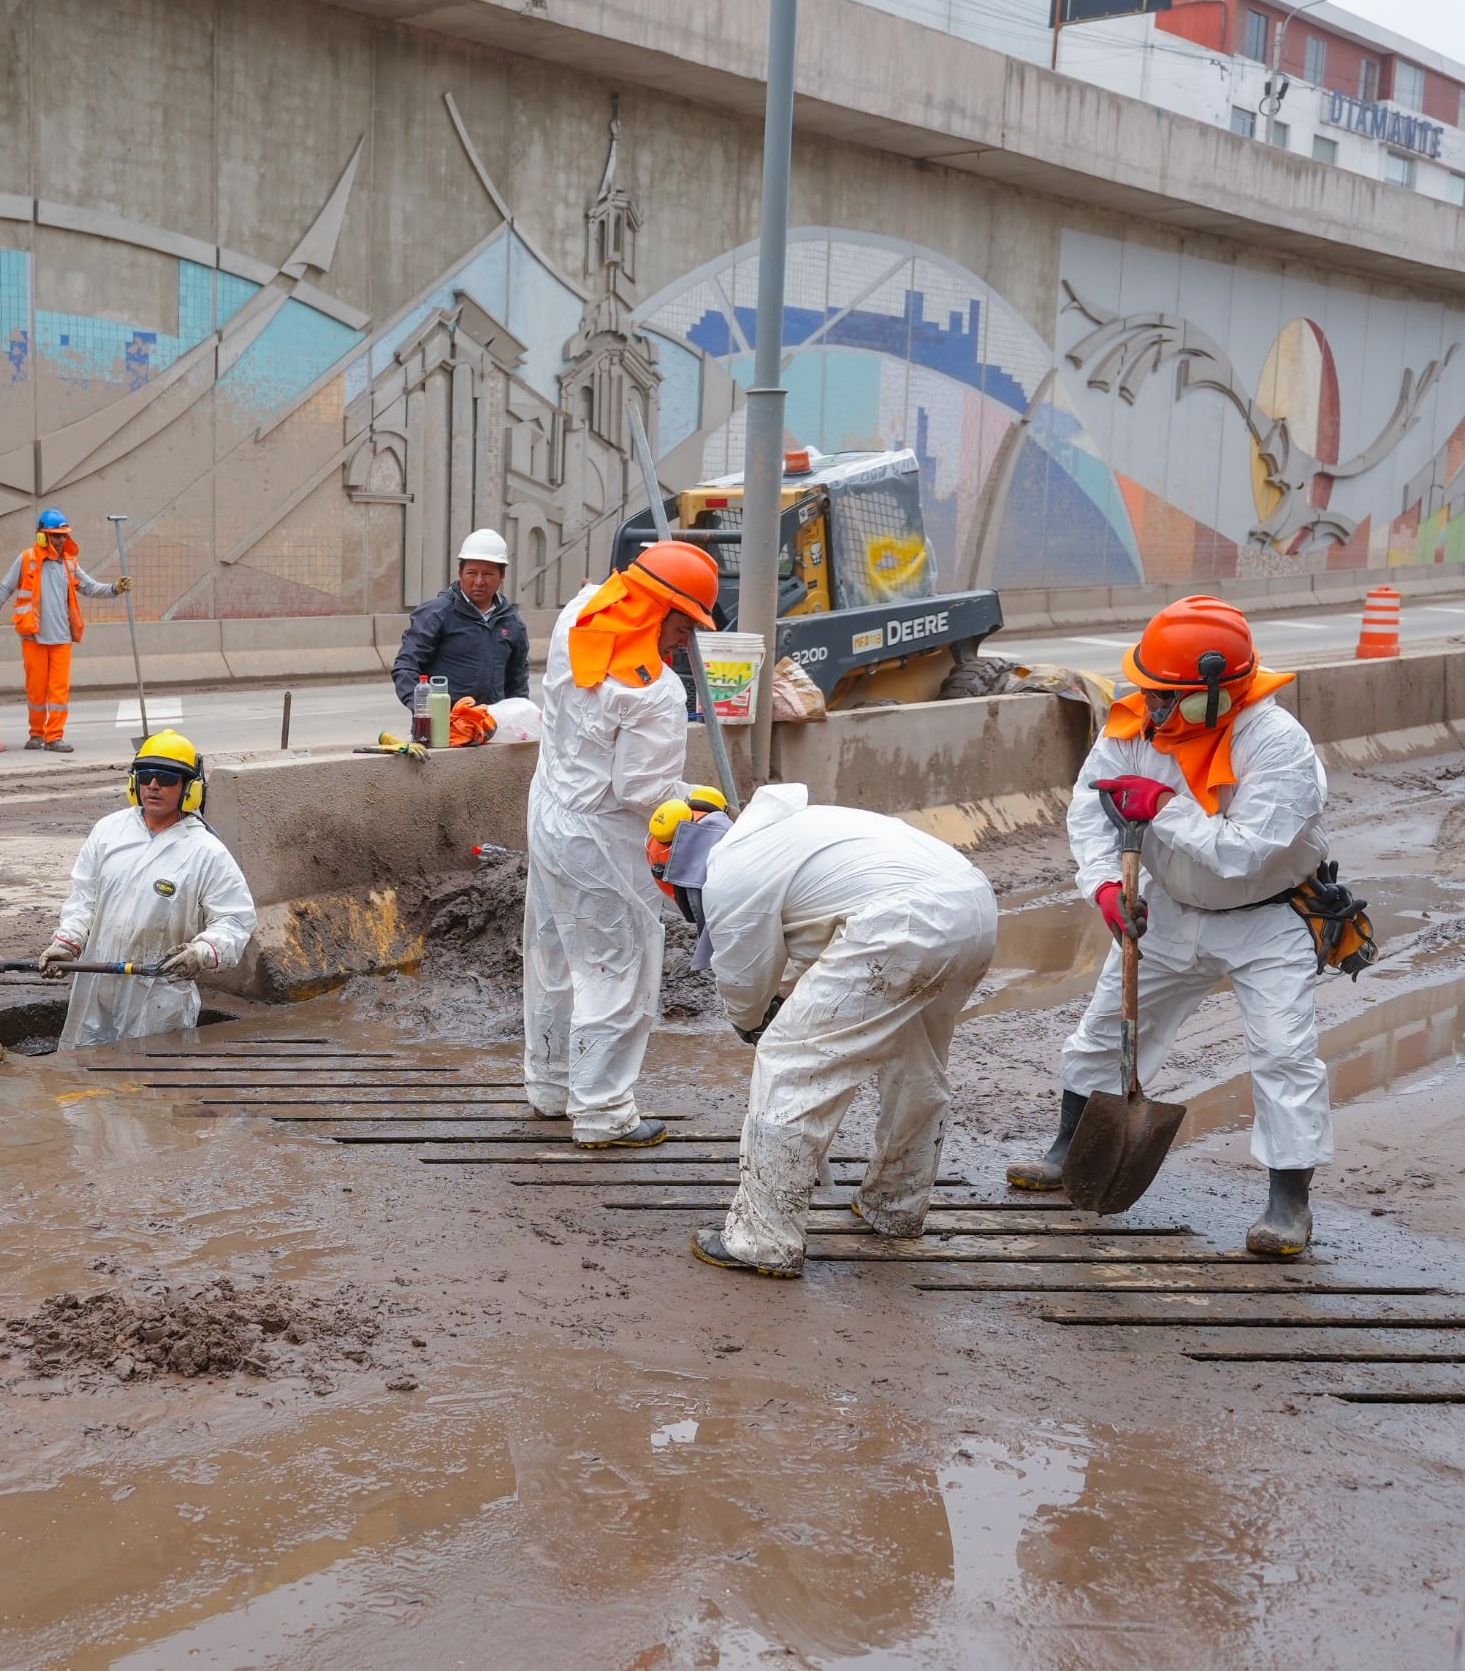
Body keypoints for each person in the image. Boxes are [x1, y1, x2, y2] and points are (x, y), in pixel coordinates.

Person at [1007, 595, 1331, 1256]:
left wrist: (1164, 809)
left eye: (1169, 696)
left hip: (1267, 919)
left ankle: (1288, 1203)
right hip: (1170, 908)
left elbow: (1246, 853)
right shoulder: (1131, 727)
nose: (1153, 706)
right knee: (1104, 1028)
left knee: (1284, 1054)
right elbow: (1089, 814)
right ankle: (1070, 1146)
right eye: (1149, 690)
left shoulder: (1277, 745)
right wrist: (1102, 885)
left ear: (1219, 693)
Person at [671, 786, 999, 1277]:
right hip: (972, 907)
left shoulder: (730, 871)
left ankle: (763, 1239)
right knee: (916, 1060)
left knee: (790, 1060)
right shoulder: (784, 834)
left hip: (900, 922)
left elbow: (743, 977)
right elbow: (816, 942)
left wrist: (752, 1024)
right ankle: (895, 1205)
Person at [524, 540, 725, 1147]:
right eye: (684, 626)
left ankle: (551, 1085)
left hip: (550, 812)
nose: (685, 644)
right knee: (617, 968)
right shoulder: (655, 692)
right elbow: (643, 790)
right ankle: (604, 1113)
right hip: (602, 841)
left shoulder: (578, 616)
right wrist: (695, 796)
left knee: (554, 956)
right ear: (657, 608)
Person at [44, 730, 256, 1050]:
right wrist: (67, 942)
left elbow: (235, 920)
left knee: (154, 1090)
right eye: (145, 775)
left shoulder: (205, 851)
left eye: (167, 777)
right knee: (81, 1085)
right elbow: (84, 900)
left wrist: (202, 952)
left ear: (189, 787)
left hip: (159, 995)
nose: (153, 785)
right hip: (96, 987)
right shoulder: (109, 832)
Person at [0, 507, 127, 752]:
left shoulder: (69, 563)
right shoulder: (27, 559)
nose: (61, 540)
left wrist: (114, 589)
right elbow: (4, 589)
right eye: (56, 536)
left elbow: (89, 587)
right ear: (42, 536)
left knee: (58, 691)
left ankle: (54, 736)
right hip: (33, 636)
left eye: (64, 535)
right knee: (36, 689)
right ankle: (36, 734)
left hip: (61, 638)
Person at [390, 528, 529, 711]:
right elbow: (406, 667)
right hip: (444, 730)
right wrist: (426, 711)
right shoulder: (437, 613)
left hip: (493, 729)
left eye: (488, 574)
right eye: (472, 573)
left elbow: (517, 681)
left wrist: (518, 718)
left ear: (501, 576)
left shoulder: (511, 621)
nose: (479, 581)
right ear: (460, 573)